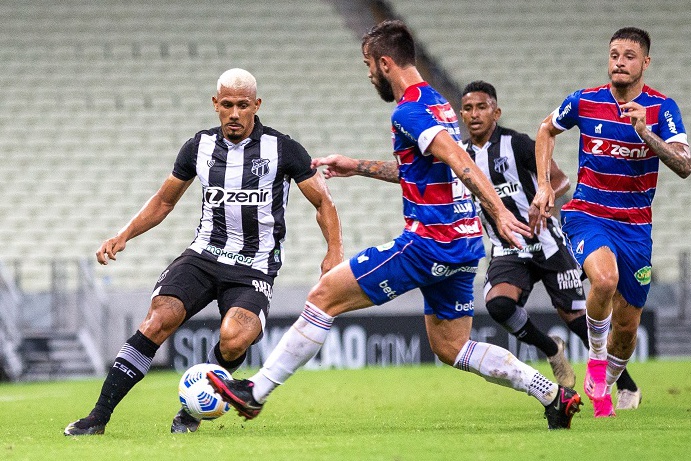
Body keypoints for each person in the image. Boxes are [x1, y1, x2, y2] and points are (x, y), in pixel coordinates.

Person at [207, 20, 582, 430]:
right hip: (464, 242)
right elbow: (424, 168)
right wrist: (358, 167)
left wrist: (501, 212)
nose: (369, 75)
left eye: (369, 65)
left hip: (429, 242)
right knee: (451, 345)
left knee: (325, 295)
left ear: (386, 63)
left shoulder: (409, 110)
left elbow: (461, 161)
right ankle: (552, 394)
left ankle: (256, 392)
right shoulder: (436, 102)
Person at [64, 68, 344, 435]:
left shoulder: (284, 149)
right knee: (156, 321)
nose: (234, 113)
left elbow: (323, 202)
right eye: (226, 104)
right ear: (215, 105)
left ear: (256, 105)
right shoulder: (199, 147)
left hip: (254, 268)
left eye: (242, 105)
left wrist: (334, 252)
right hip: (203, 256)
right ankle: (97, 418)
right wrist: (124, 234)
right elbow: (164, 201)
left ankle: (191, 413)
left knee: (234, 338)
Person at [532, 27, 690, 417]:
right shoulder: (585, 100)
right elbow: (545, 129)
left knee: (627, 329)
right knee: (604, 279)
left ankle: (610, 371)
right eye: (614, 54)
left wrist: (645, 133)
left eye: (629, 55)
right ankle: (597, 365)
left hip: (636, 226)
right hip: (589, 213)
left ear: (645, 63)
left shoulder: (662, 108)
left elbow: (684, 165)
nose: (619, 61)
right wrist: (543, 185)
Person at [459, 80, 641, 406]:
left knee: (576, 320)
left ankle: (627, 386)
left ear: (496, 112)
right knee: (499, 305)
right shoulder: (462, 157)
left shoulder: (516, 144)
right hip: (508, 247)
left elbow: (561, 180)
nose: (474, 114)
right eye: (468, 108)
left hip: (547, 243)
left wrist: (545, 197)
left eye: (481, 107)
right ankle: (550, 349)